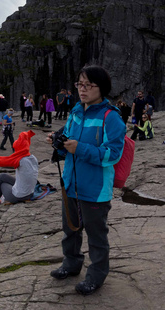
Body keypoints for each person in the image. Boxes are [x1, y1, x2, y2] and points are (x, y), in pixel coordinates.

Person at [52, 65, 126, 296]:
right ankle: (71, 264)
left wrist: (79, 148)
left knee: (96, 235)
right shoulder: (76, 112)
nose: (82, 90)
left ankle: (96, 275)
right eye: (79, 84)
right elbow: (69, 146)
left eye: (88, 85)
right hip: (71, 183)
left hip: (95, 189)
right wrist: (59, 144)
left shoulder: (110, 117)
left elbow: (112, 154)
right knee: (70, 230)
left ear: (101, 88)